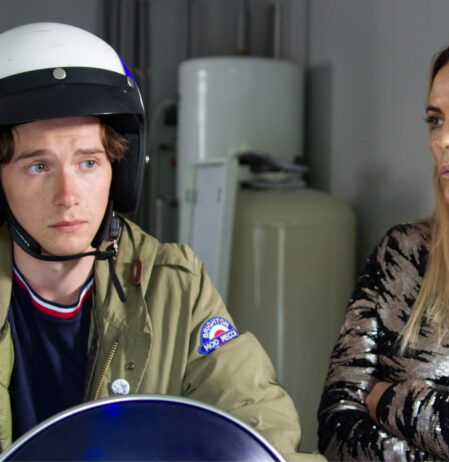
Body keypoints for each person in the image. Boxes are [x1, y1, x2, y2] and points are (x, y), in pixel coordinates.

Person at [0, 22, 322, 461]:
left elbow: (256, 424)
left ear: (120, 170)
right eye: (38, 167)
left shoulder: (173, 286)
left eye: (88, 163)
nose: (68, 196)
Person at [318, 29, 449, 461]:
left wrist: (394, 400)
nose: (442, 140)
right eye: (435, 119)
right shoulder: (403, 255)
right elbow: (337, 428)